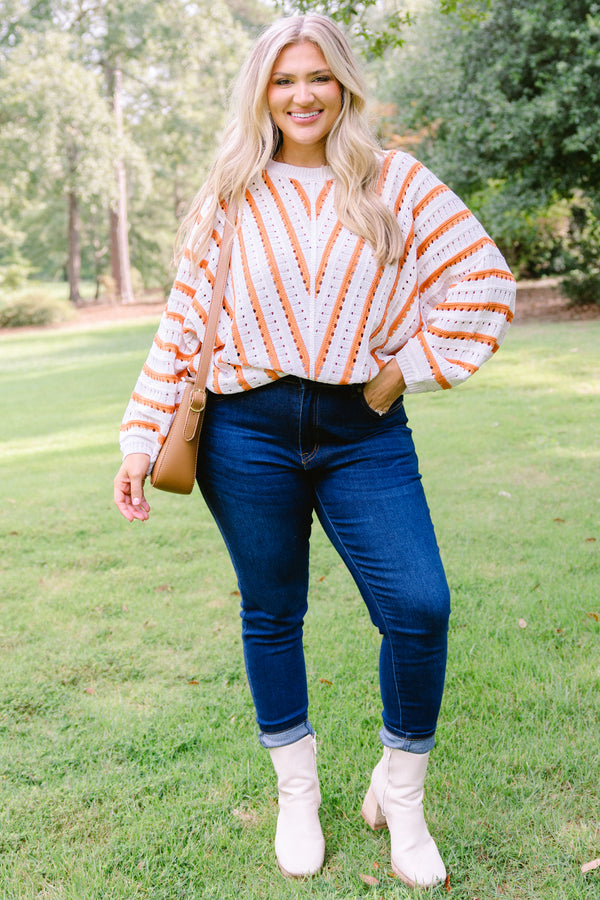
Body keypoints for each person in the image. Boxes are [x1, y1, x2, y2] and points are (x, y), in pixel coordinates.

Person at [114, 13, 516, 887]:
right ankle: (297, 795)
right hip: (243, 430)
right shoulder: (230, 190)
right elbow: (183, 323)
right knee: (271, 613)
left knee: (420, 605)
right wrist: (140, 437)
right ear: (263, 90)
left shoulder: (393, 182)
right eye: (284, 80)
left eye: (319, 79)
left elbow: (483, 275)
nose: (302, 96)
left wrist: (404, 369)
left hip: (360, 428)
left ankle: (399, 797)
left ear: (344, 88)